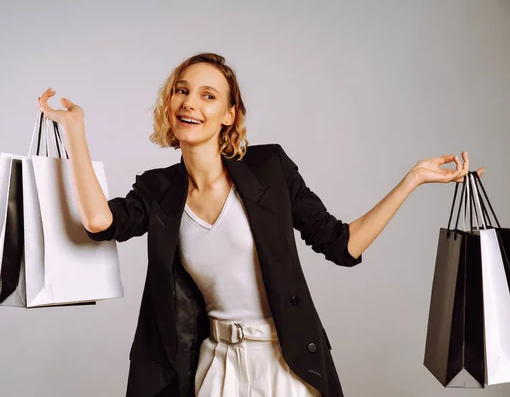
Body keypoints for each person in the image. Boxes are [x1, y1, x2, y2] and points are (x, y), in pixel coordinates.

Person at [37, 52, 485, 397]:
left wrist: (413, 180)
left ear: (230, 114)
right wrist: (75, 128)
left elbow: (342, 245)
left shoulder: (270, 168)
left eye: (208, 96)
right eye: (182, 90)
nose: (190, 103)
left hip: (284, 361)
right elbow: (100, 222)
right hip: (216, 364)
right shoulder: (158, 189)